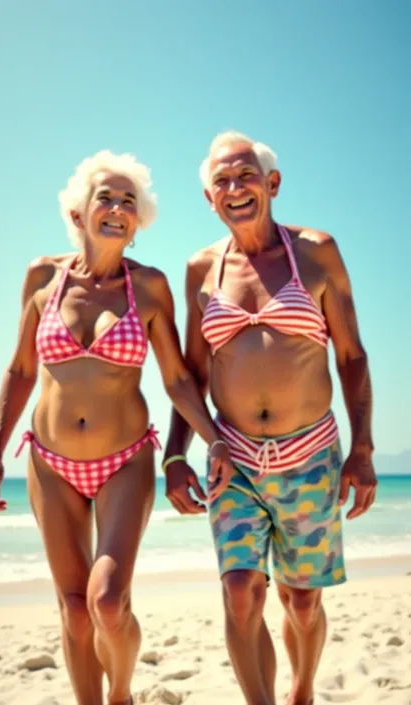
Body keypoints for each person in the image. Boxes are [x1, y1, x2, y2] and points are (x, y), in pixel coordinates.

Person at [0, 149, 233, 705]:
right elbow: (21, 369)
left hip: (125, 460)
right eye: (105, 197)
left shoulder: (152, 288)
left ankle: (121, 694)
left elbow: (179, 380)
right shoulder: (43, 278)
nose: (117, 208)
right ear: (78, 214)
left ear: (138, 223)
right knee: (72, 606)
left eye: (128, 202)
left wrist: (214, 443)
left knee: (108, 601)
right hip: (49, 460)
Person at [163, 131, 377, 705]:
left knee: (301, 603)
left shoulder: (316, 251)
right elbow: (191, 375)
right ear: (209, 198)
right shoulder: (201, 269)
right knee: (239, 593)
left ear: (272, 183)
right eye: (222, 182)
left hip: (310, 456)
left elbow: (351, 356)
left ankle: (302, 691)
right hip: (233, 460)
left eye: (245, 176)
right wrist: (177, 451)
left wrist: (363, 450)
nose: (235, 189)